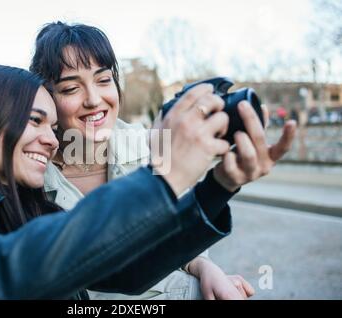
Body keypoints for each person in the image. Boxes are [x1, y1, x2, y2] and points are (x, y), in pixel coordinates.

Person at [0, 64, 248, 299]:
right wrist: (162, 178)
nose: (51, 140)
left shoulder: (34, 213)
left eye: (52, 126)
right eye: (34, 121)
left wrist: (217, 188)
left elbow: (127, 272)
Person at [29, 21, 296, 300]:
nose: (94, 100)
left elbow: (173, 232)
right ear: (47, 98)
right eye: (71, 88)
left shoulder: (149, 145)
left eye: (104, 80)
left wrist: (203, 267)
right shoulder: (28, 173)